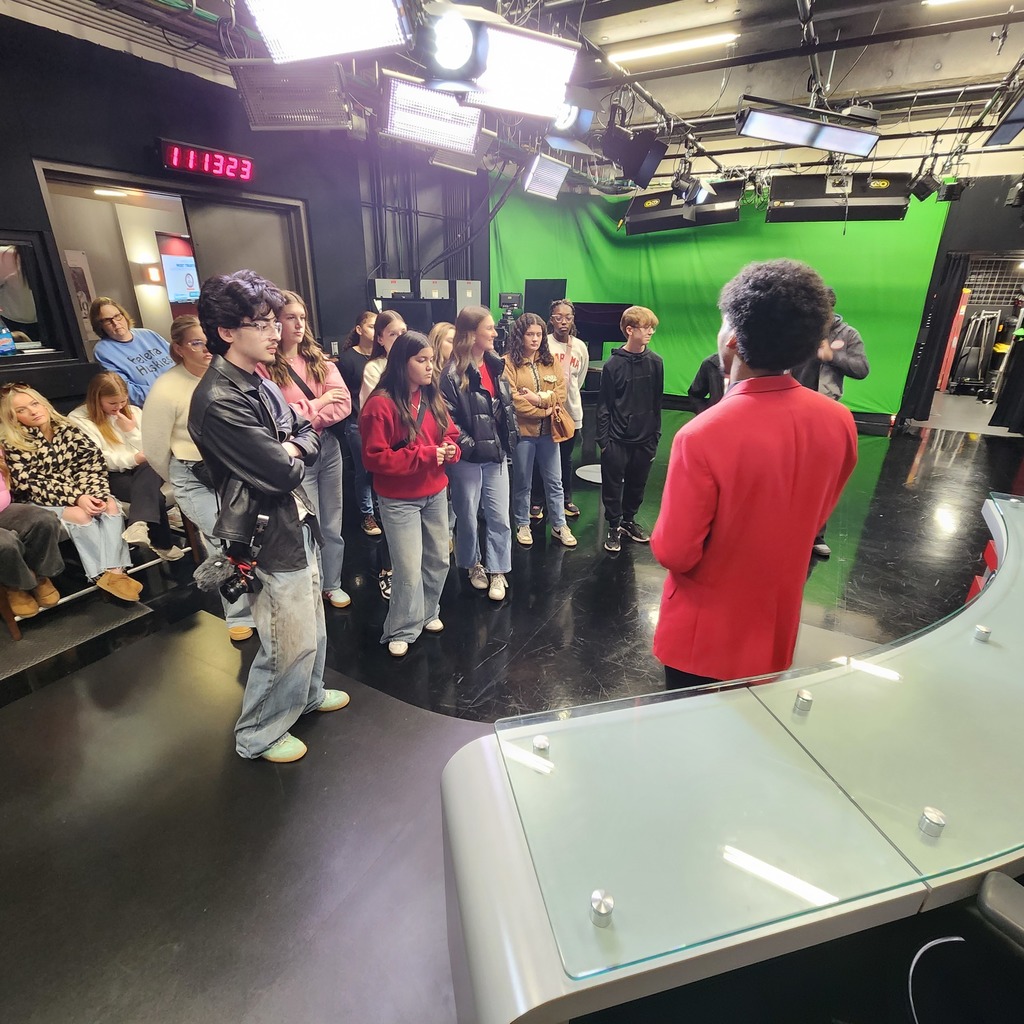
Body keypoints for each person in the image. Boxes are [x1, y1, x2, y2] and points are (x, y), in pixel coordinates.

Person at [650, 259, 858, 689]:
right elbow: (815, 516)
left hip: (702, 638)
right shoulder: (839, 422)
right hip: (774, 629)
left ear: (732, 340)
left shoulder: (702, 435)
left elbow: (676, 552)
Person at [188, 270, 350, 764]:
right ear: (226, 331)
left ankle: (306, 696)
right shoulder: (218, 400)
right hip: (266, 531)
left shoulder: (259, 379)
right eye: (260, 324)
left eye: (273, 322)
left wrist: (291, 444)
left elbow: (306, 430)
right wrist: (291, 448)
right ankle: (258, 732)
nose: (275, 332)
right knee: (286, 637)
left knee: (311, 624)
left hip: (293, 519)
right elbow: (282, 470)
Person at [142, 314, 256, 642]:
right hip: (192, 473)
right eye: (196, 343)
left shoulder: (226, 375)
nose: (206, 348)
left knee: (248, 537)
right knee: (222, 539)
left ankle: (259, 605)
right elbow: (154, 448)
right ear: (179, 348)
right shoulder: (166, 388)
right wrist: (178, 477)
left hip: (232, 470)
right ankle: (238, 614)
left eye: (208, 340)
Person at [360, 331, 460, 656]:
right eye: (421, 360)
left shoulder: (432, 396)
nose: (430, 366)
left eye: (431, 360)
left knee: (438, 559)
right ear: (403, 363)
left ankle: (427, 612)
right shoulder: (380, 405)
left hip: (435, 492)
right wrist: (428, 455)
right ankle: (401, 628)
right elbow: (375, 458)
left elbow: (450, 433)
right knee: (407, 568)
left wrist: (451, 448)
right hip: (399, 499)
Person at [257, 290, 352, 609]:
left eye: (302, 317)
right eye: (290, 318)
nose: (298, 324)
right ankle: (313, 585)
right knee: (308, 524)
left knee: (333, 523)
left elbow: (343, 404)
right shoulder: (265, 367)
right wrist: (320, 401)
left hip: (328, 448)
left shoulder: (318, 359)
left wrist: (307, 413)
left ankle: (332, 583)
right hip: (297, 453)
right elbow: (278, 418)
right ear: (276, 322)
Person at [0, 384, 139, 601]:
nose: (33, 411)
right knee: (80, 515)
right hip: (39, 500)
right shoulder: (12, 441)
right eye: (22, 410)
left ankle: (114, 573)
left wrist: (93, 493)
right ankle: (102, 574)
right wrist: (76, 498)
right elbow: (31, 484)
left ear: (43, 403)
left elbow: (91, 463)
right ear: (13, 417)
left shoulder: (67, 428)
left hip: (81, 490)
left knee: (109, 505)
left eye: (34, 404)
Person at [439, 306, 517, 600]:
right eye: (489, 328)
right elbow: (448, 420)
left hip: (496, 455)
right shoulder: (450, 374)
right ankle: (473, 565)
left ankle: (498, 570)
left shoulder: (496, 365)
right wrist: (472, 447)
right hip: (468, 459)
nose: (495, 333)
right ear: (472, 334)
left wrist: (507, 440)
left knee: (499, 516)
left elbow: (505, 408)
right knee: (468, 517)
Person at [68, 372, 184, 562]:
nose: (119, 407)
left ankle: (139, 524)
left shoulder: (134, 412)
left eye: (123, 401)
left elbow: (153, 449)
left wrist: (131, 432)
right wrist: (133, 458)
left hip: (146, 468)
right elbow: (96, 459)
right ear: (96, 399)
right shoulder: (79, 420)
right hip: (107, 474)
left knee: (149, 468)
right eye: (112, 403)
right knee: (153, 494)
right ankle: (160, 542)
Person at [791, 287, 870, 559]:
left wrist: (832, 357)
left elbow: (862, 369)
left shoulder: (848, 334)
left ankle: (815, 536)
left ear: (830, 310)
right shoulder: (799, 330)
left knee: (819, 475)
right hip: (792, 407)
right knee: (787, 470)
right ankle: (782, 527)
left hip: (825, 411)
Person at [503, 312, 577, 550]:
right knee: (523, 482)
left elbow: (561, 394)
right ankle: (523, 523)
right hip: (523, 434)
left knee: (555, 482)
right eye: (529, 334)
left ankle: (559, 524)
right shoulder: (508, 363)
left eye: (538, 334)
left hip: (549, 434)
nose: (535, 339)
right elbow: (514, 401)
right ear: (520, 336)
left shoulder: (550, 361)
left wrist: (538, 399)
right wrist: (545, 409)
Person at [596, 305, 664, 553]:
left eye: (652, 328)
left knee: (638, 484)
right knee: (613, 486)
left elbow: (657, 402)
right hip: (616, 439)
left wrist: (655, 436)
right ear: (629, 330)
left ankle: (628, 521)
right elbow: (604, 405)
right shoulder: (613, 365)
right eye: (646, 327)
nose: (651, 332)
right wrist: (604, 442)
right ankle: (614, 525)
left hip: (645, 439)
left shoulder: (656, 363)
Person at [360, 310, 407, 600]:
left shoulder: (416, 363)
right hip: (389, 451)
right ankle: (387, 570)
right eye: (392, 334)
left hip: (415, 452)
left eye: (403, 332)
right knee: (389, 516)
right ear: (380, 339)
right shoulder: (374, 369)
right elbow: (376, 410)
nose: (399, 338)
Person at [531, 299, 589, 520]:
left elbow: (579, 378)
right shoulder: (543, 344)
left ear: (573, 320)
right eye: (558, 317)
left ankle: (565, 499)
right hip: (546, 412)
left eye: (568, 317)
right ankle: (537, 500)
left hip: (570, 413)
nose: (563, 322)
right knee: (541, 458)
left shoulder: (580, 347)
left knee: (566, 458)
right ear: (551, 320)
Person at [0, 445, 64, 618]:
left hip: (4, 507)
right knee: (5, 543)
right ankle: (15, 586)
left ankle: (40, 576)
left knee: (45, 520)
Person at [337, 311, 382, 537]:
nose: (375, 331)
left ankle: (380, 508)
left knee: (380, 468)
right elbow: (343, 394)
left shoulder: (382, 358)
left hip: (380, 422)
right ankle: (367, 514)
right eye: (371, 326)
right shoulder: (347, 360)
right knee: (363, 470)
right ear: (359, 329)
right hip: (356, 422)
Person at [90, 297, 174, 406]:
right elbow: (127, 392)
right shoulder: (103, 351)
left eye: (117, 316)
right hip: (154, 406)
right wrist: (171, 391)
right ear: (99, 325)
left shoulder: (149, 334)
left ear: (124, 316)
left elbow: (181, 361)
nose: (115, 323)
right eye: (107, 320)